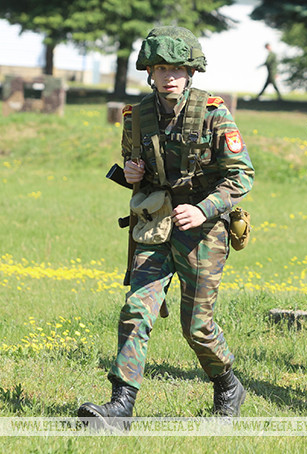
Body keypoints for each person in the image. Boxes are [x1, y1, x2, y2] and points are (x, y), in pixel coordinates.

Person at [77, 26, 255, 422]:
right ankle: (121, 406)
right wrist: (132, 173)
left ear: (191, 71)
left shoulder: (213, 113)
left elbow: (242, 176)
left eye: (177, 68)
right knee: (136, 311)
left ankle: (228, 384)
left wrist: (204, 210)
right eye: (161, 68)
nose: (169, 76)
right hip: (155, 225)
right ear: (149, 72)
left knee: (197, 328)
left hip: (203, 229)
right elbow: (133, 165)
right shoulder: (136, 116)